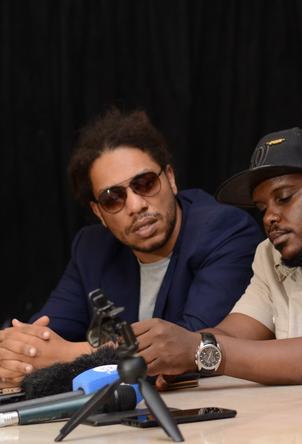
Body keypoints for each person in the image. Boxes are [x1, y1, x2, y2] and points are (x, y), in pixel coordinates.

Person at [0, 109, 261, 386]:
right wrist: (18, 350)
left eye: (145, 183)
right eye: (113, 198)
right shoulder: (92, 248)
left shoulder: (223, 230)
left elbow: (190, 345)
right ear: (99, 212)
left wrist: (68, 354)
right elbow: (44, 335)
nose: (136, 205)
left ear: (170, 179)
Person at [130, 127, 302, 385]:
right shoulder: (269, 255)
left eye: (284, 197)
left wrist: (199, 351)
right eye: (262, 207)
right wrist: (168, 350)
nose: (269, 217)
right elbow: (232, 334)